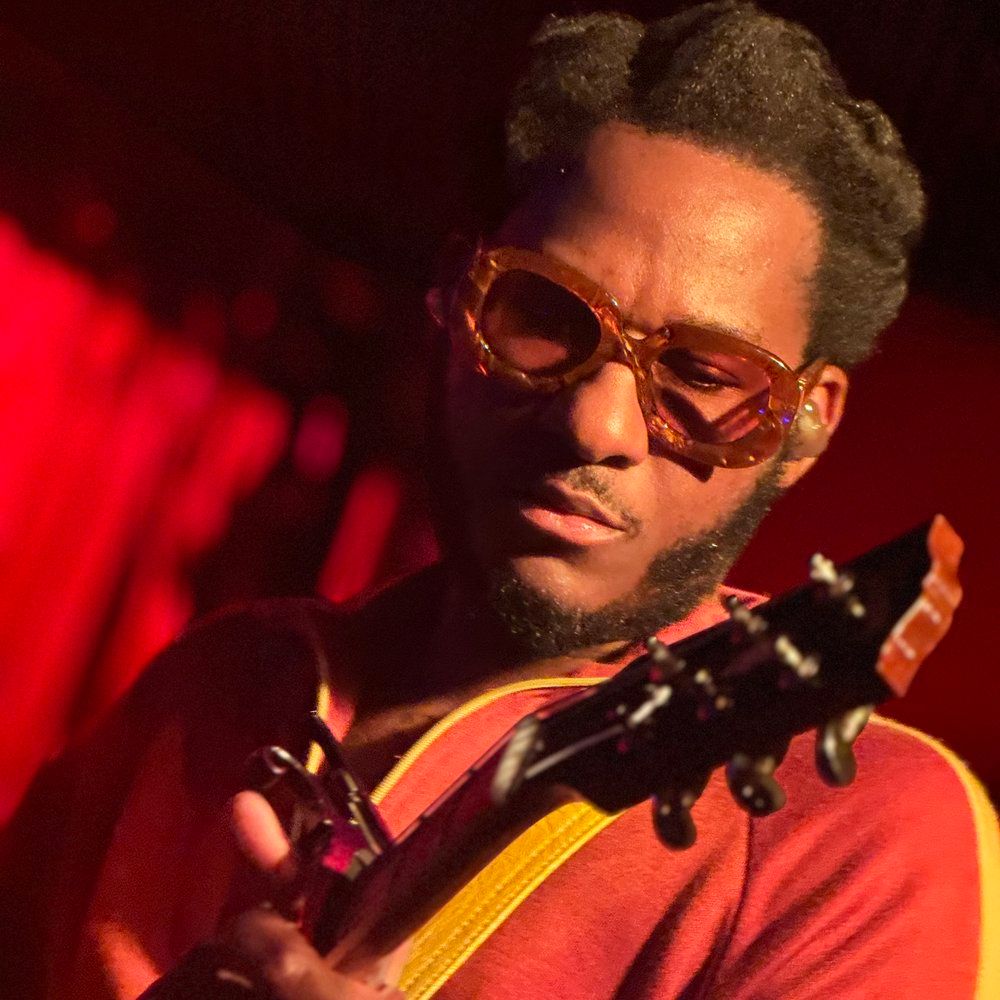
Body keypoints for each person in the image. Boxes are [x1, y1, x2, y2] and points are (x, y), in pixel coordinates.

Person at [1, 3, 996, 998]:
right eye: (542, 316)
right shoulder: (210, 685)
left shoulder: (864, 834)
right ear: (454, 289)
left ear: (807, 425)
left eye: (701, 373)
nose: (593, 426)